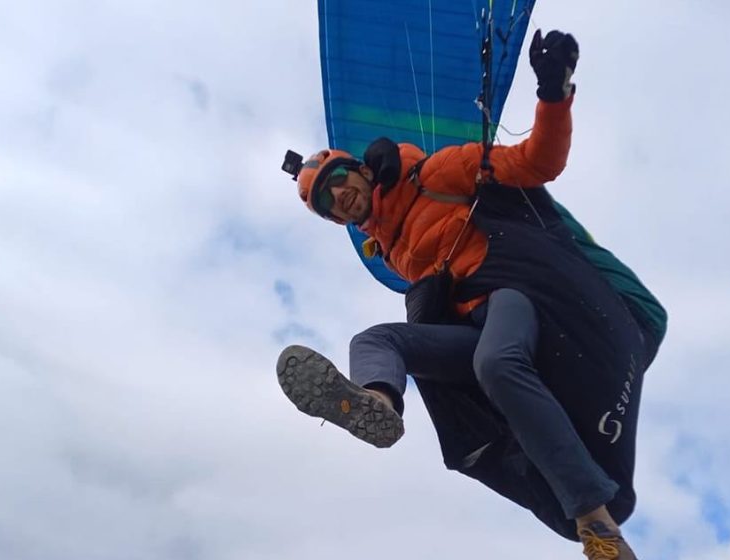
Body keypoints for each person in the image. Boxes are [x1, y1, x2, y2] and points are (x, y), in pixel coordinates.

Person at [277, 29, 666, 560]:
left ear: (364, 171)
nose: (339, 200)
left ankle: (595, 522)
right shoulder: (390, 253)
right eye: (328, 205)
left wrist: (553, 93)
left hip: (521, 296)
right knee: (378, 339)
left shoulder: (439, 172)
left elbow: (537, 162)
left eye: (339, 184)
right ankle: (376, 403)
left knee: (497, 362)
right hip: (476, 328)